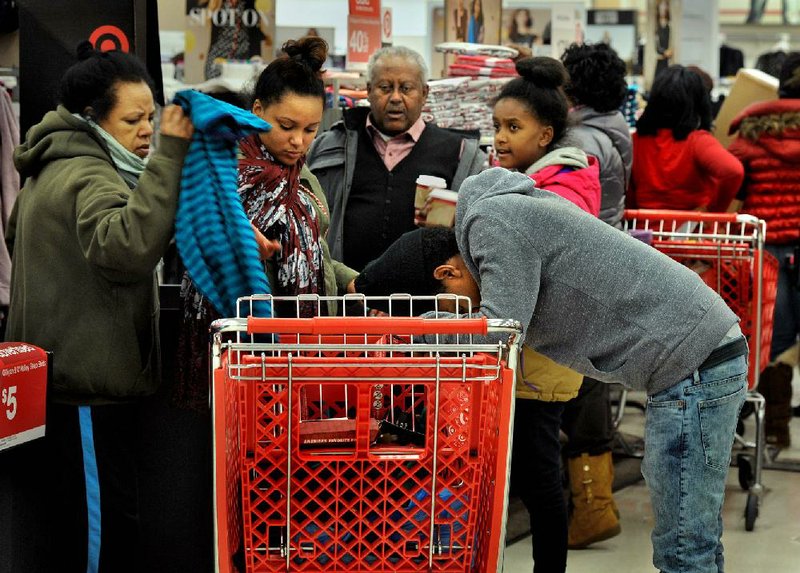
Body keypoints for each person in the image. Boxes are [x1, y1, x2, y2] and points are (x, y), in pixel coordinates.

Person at [418, 167, 749, 573]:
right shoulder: (509, 209)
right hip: (702, 353)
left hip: (694, 364)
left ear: (445, 274)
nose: (461, 313)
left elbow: (502, 329)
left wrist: (418, 337)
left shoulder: (492, 222)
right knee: (692, 536)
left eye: (449, 304)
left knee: (683, 545)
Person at [3, 43, 194, 572]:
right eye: (132, 119)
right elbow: (127, 249)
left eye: (151, 117)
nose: (146, 130)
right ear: (92, 120)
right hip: (85, 394)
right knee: (99, 539)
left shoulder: (48, 169)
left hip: (61, 388)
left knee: (80, 529)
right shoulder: (91, 176)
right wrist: (172, 156)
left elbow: (20, 238)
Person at [177, 36, 358, 408]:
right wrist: (236, 238)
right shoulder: (228, 172)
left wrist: (348, 279)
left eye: (310, 129)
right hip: (246, 352)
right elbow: (198, 242)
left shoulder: (301, 175)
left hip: (298, 348)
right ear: (256, 110)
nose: (298, 141)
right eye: (286, 125)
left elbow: (314, 249)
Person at [491, 56, 600, 572]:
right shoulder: (533, 180)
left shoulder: (556, 191)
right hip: (534, 349)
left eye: (514, 127)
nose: (500, 137)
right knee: (528, 472)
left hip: (543, 353)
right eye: (497, 126)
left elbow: (539, 272)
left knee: (537, 476)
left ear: (546, 134)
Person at [306, 45, 485, 272]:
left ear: (424, 93)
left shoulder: (459, 154)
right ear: (369, 90)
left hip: (425, 299)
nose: (395, 98)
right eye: (385, 87)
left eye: (407, 88)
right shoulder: (332, 145)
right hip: (346, 294)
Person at [559, 41, 632, 550]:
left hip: (581, 267)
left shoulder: (583, 138)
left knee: (581, 383)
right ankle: (592, 501)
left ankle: (592, 505)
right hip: (605, 263)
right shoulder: (616, 129)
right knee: (588, 377)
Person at [727, 52, 800, 447]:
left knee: (770, 334)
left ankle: (774, 428)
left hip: (767, 243)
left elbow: (732, 180)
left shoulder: (752, 131)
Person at [629, 65, 744, 212]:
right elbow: (733, 171)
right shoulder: (698, 142)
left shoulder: (636, 141)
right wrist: (713, 211)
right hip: (692, 231)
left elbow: (630, 192)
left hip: (645, 230)